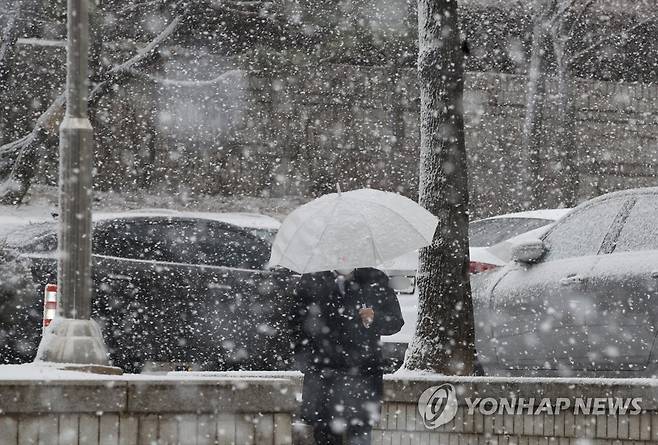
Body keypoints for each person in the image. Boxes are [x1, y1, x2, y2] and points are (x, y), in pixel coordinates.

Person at [291, 267, 404, 445]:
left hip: (363, 378)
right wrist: (307, 359)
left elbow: (395, 321)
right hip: (324, 378)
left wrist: (375, 318)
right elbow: (296, 324)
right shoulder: (312, 280)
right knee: (325, 435)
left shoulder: (374, 279)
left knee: (359, 435)